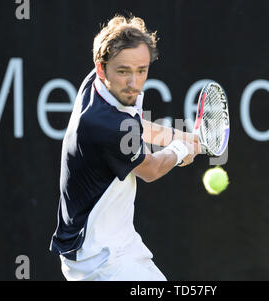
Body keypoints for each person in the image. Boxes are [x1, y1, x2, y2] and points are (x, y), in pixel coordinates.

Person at [49, 15, 201, 281]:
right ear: (101, 68)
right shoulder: (104, 124)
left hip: (119, 241)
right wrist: (179, 151)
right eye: (123, 72)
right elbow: (150, 169)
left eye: (141, 70)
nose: (134, 83)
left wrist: (178, 136)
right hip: (98, 258)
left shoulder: (100, 86)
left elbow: (135, 124)